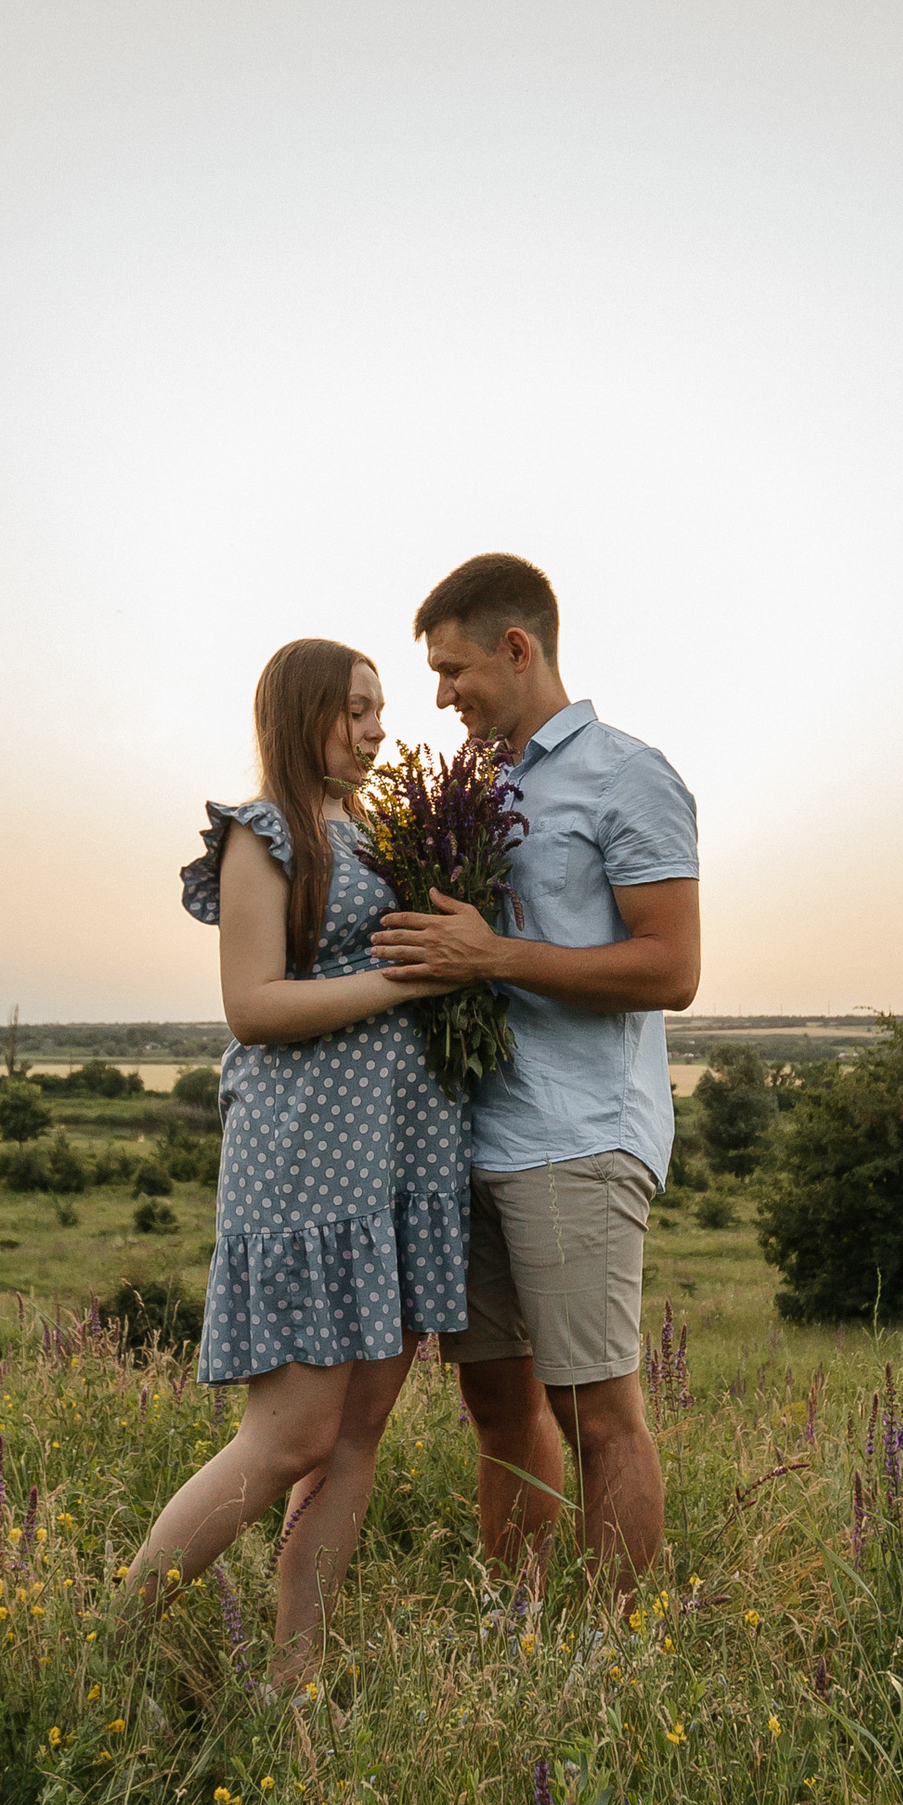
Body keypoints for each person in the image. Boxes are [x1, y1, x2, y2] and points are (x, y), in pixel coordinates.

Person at [119, 639, 468, 1676]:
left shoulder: (377, 834)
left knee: (354, 1440)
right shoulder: (262, 834)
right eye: (355, 710)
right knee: (288, 1439)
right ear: (301, 712)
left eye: (379, 710)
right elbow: (253, 1006)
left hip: (396, 1165)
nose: (376, 730)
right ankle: (108, 1649)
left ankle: (293, 1686)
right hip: (309, 1162)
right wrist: (410, 981)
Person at [370, 552, 698, 1595]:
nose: (441, 696)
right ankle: (516, 1636)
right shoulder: (477, 787)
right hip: (473, 1138)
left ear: (517, 648)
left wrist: (493, 956)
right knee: (498, 1408)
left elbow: (672, 969)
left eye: (453, 669)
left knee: (596, 1413)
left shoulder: (627, 775)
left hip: (578, 1135)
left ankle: (615, 1653)